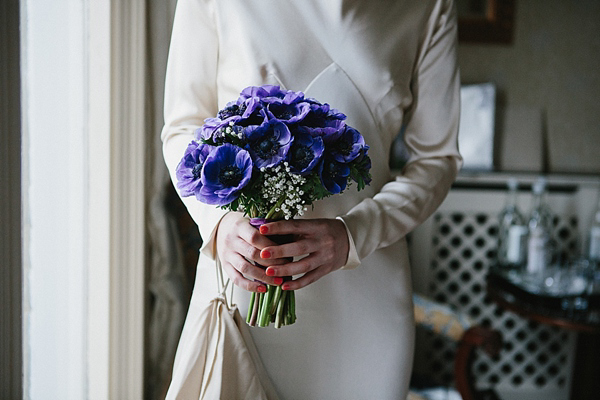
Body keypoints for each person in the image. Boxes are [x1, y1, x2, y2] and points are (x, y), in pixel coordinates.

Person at [161, 0, 462, 398]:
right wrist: (218, 222)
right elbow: (183, 128)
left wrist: (355, 233)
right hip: (249, 273)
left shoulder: (429, 7)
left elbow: (437, 159)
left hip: (366, 290)